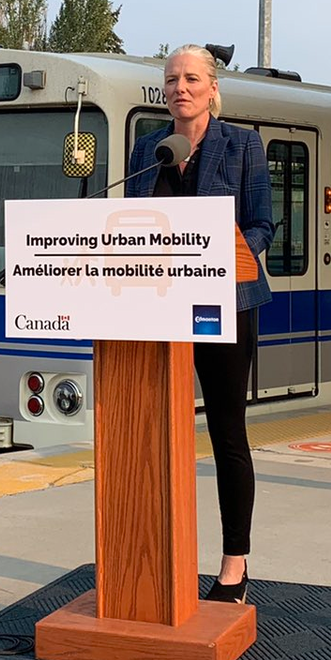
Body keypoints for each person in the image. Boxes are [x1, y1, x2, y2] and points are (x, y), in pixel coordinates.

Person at [126, 44, 274, 602]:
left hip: (225, 307)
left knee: (226, 435)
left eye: (190, 78)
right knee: (150, 432)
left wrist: (231, 253)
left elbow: (262, 223)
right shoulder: (149, 148)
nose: (179, 88)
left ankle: (234, 565)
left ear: (213, 88)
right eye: (171, 79)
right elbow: (131, 227)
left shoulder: (243, 146)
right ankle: (149, 556)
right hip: (157, 311)